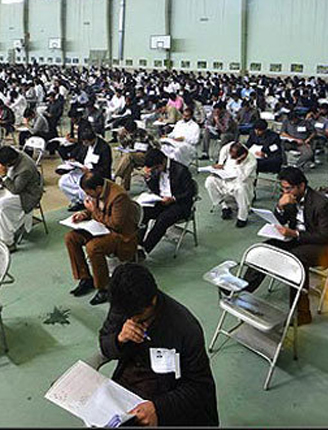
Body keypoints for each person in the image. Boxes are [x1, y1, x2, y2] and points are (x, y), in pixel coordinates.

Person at [98, 264, 219, 427]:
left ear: (153, 300)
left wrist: (158, 408)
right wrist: (119, 339)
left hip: (166, 394)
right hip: (127, 388)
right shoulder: (124, 306)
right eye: (129, 316)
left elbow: (199, 387)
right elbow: (105, 344)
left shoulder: (185, 328)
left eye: (139, 317)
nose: (133, 321)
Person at [241, 167, 328, 325]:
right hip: (298, 238)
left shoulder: (322, 204)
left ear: (301, 186)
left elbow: (325, 236)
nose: (285, 192)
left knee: (297, 259)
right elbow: (279, 220)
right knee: (265, 249)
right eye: (283, 188)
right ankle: (243, 288)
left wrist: (295, 234)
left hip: (325, 247)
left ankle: (302, 314)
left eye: (289, 188)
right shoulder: (289, 196)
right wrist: (279, 206)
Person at [65, 173, 139, 305]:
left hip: (120, 235)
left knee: (93, 247)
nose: (88, 196)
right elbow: (93, 210)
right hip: (100, 227)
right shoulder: (97, 191)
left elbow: (116, 224)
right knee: (71, 238)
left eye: (89, 193)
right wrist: (84, 214)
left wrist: (94, 211)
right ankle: (85, 277)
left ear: (98, 188)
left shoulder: (119, 196)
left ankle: (104, 288)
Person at [0, 146, 43, 252]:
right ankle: (5, 229)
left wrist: (3, 176)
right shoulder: (12, 156)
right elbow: (8, 175)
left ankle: (8, 242)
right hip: (12, 188)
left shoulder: (25, 168)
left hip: (27, 195)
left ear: (11, 162)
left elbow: (15, 189)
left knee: (0, 206)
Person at [139, 149, 197, 259]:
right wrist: (148, 178)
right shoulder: (156, 169)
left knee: (163, 219)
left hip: (179, 203)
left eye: (156, 168)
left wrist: (173, 199)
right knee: (142, 212)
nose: (155, 171)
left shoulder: (181, 170)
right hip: (161, 200)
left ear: (163, 162)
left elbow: (190, 192)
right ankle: (137, 244)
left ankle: (145, 250)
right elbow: (155, 189)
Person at [58, 124, 112, 211]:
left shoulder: (104, 148)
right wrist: (73, 160)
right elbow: (77, 155)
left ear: (92, 140)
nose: (84, 144)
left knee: (83, 183)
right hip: (81, 170)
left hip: (95, 174)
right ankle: (77, 200)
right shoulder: (84, 145)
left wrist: (90, 171)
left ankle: (85, 201)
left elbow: (105, 168)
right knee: (63, 181)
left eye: (86, 142)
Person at [204, 141, 257, 228]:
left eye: (234, 157)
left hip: (241, 182)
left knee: (241, 189)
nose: (231, 158)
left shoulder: (252, 161)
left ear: (242, 156)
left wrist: (238, 164)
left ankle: (242, 217)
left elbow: (242, 178)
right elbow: (224, 150)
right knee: (210, 181)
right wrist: (220, 164)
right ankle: (225, 206)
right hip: (226, 177)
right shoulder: (232, 146)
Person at [114, 119, 158, 191]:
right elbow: (125, 145)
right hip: (134, 155)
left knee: (128, 156)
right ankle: (124, 188)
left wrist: (148, 151)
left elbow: (156, 146)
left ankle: (116, 175)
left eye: (131, 132)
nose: (130, 134)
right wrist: (120, 137)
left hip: (146, 156)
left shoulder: (144, 134)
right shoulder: (127, 134)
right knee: (128, 163)